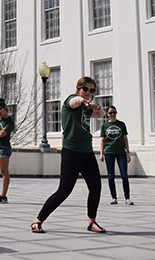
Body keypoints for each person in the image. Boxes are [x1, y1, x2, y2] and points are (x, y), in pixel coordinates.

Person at [31, 76, 106, 234]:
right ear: (78, 88)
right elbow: (74, 102)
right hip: (71, 152)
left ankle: (91, 222)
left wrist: (95, 106)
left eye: (92, 90)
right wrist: (81, 100)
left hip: (86, 152)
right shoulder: (71, 101)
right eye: (85, 89)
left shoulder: (86, 108)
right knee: (64, 191)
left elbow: (100, 115)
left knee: (96, 187)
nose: (88, 92)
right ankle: (38, 221)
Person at [99, 105, 132, 205]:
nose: (112, 114)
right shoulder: (104, 126)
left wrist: (128, 152)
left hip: (121, 152)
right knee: (110, 176)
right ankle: (114, 197)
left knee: (124, 175)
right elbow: (102, 140)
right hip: (109, 152)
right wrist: (101, 153)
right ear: (107, 114)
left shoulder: (121, 124)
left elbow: (125, 139)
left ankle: (127, 197)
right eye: (110, 113)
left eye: (114, 112)